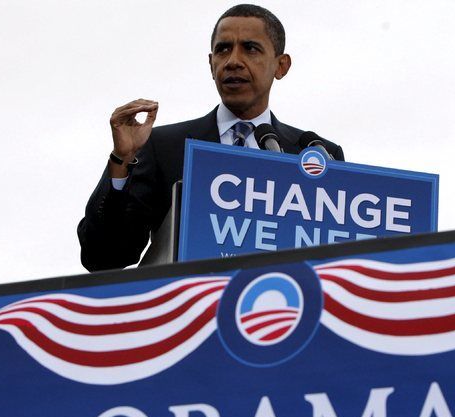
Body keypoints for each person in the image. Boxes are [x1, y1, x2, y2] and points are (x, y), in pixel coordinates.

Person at [78, 4, 344, 271]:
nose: (233, 61)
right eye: (223, 49)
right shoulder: (164, 146)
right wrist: (121, 160)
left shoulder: (316, 155)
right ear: (210, 63)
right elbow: (103, 258)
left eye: (250, 48)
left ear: (281, 65)